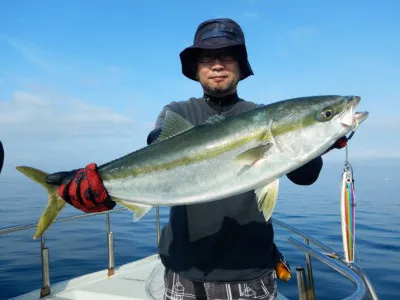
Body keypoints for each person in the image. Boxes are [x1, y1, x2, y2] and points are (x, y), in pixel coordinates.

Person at [46, 18, 347, 300]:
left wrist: (323, 137)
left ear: (241, 66)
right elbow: (158, 145)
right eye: (206, 58)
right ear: (196, 68)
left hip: (252, 272)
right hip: (185, 273)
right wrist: (103, 182)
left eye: (227, 56)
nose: (217, 65)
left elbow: (306, 176)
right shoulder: (177, 112)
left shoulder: (262, 115)